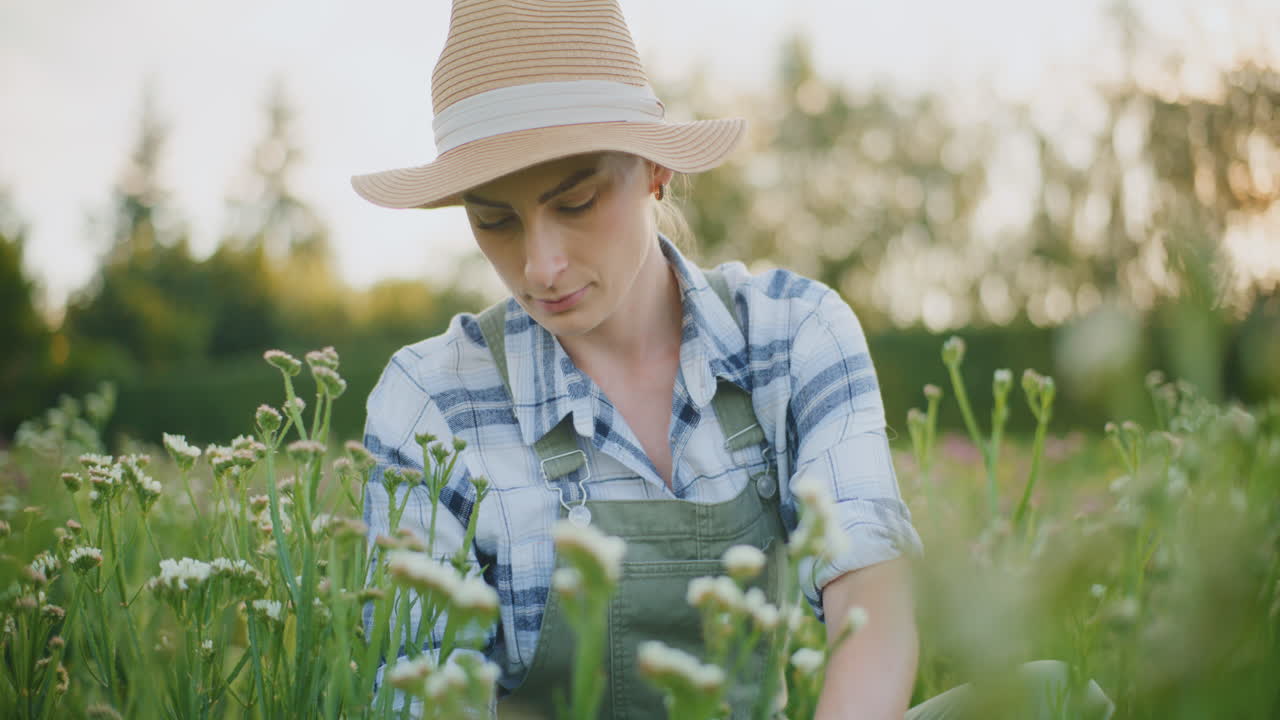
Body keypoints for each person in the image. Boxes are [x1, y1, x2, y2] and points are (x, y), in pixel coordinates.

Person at [352, 1, 1113, 718]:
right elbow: (421, 694)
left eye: (576, 203)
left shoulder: (790, 334)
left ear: (655, 169)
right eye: (496, 221)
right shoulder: (431, 401)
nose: (540, 265)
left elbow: (872, 601)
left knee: (1053, 695)